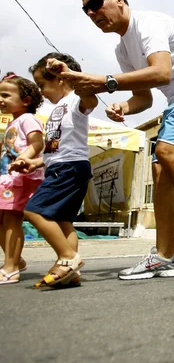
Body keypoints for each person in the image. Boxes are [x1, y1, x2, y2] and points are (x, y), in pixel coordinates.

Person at [69, 0, 174, 280]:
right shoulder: (122, 50)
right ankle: (166, 255)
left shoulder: (147, 23)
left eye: (95, 3)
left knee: (166, 151)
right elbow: (144, 96)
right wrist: (124, 107)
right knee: (160, 170)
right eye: (86, 9)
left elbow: (161, 73)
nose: (91, 13)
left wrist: (106, 82)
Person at [13, 53, 98, 288]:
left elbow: (91, 100)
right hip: (63, 165)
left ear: (61, 79)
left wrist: (70, 76)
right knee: (63, 220)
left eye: (42, 84)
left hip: (69, 167)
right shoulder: (58, 108)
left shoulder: (75, 99)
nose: (41, 91)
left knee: (34, 211)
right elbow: (56, 149)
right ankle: (72, 273)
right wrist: (35, 163)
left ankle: (69, 258)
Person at [0, 73, 44, 285]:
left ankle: (10, 267)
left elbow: (38, 144)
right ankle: (16, 259)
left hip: (21, 177)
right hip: (7, 178)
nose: (1, 99)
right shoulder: (13, 123)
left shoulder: (28, 119)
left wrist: (23, 159)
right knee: (2, 220)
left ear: (26, 100)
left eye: (6, 95)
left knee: (11, 219)